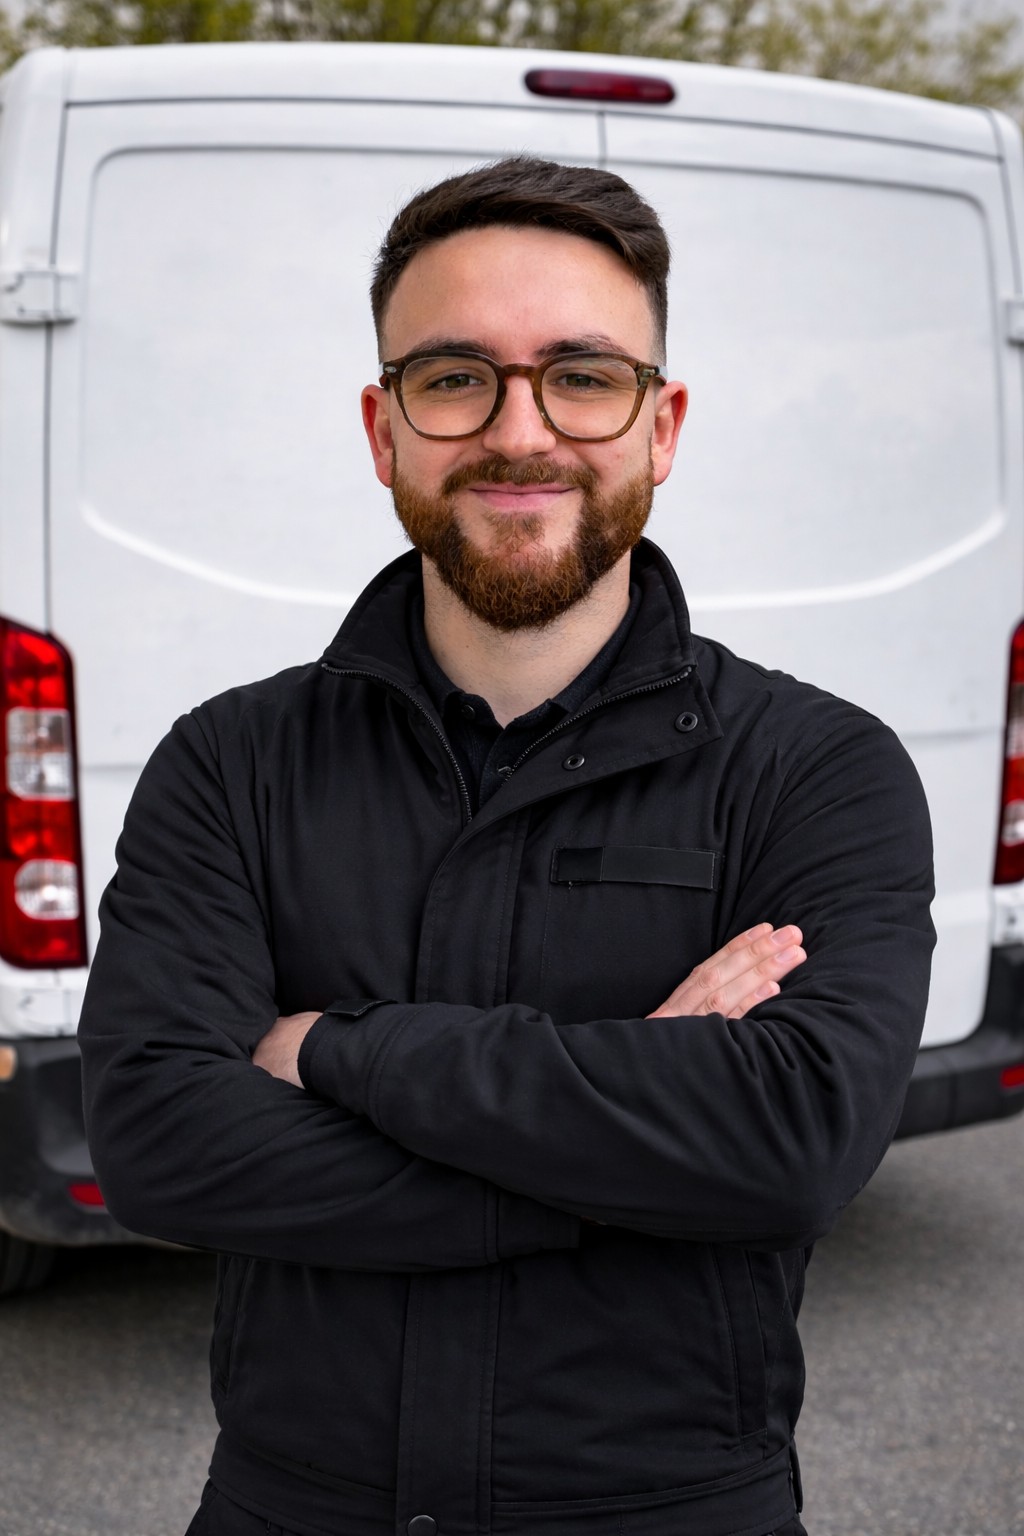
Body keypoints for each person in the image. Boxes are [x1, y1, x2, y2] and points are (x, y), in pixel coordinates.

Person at [78, 156, 934, 1536]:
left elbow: (792, 1141)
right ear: (384, 430)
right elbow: (160, 1145)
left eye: (583, 377)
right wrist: (638, 1138)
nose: (519, 430)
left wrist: (341, 1052)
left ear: (662, 426)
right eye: (455, 377)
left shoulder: (817, 770)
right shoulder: (232, 764)